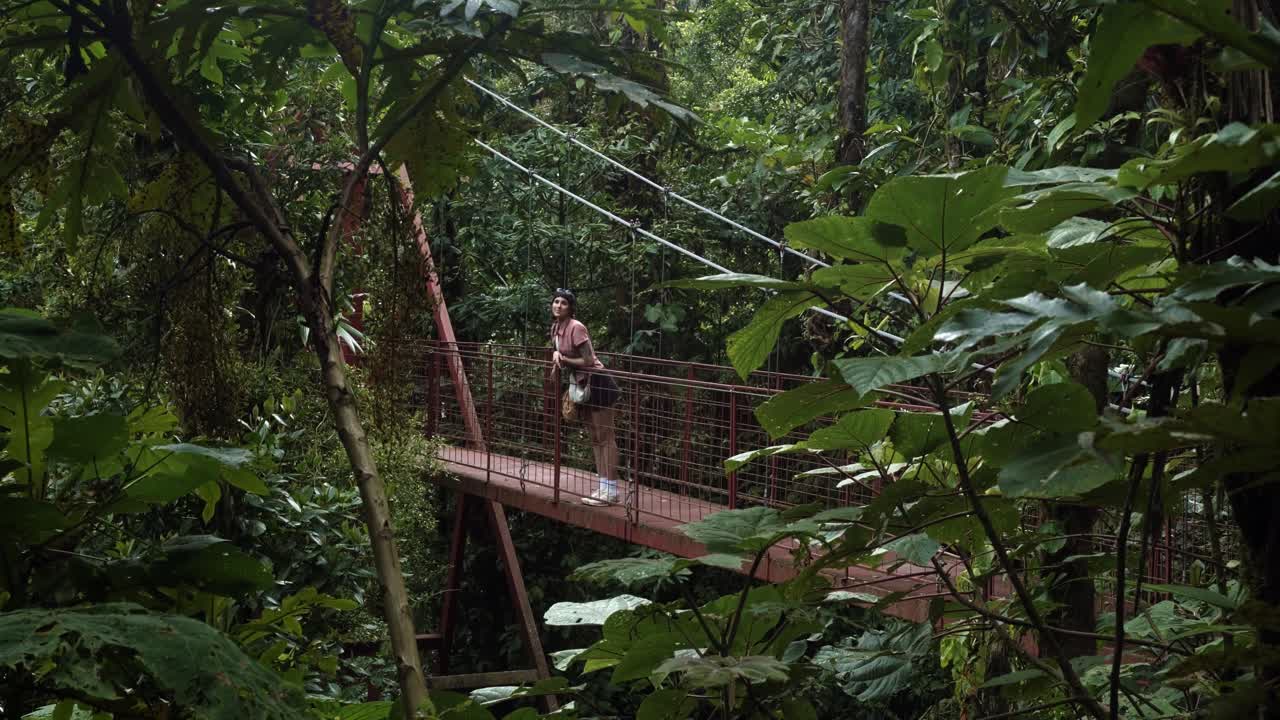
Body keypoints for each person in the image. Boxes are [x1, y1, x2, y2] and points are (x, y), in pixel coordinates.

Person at [550, 288, 623, 506]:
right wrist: (557, 356)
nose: (558, 305)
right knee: (594, 437)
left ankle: (611, 491)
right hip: (583, 385)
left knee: (605, 437)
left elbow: (589, 361)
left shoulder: (576, 327)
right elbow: (559, 352)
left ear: (570, 307)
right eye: (556, 301)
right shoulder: (557, 327)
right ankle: (603, 487)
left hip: (598, 383)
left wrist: (564, 360)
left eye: (563, 302)